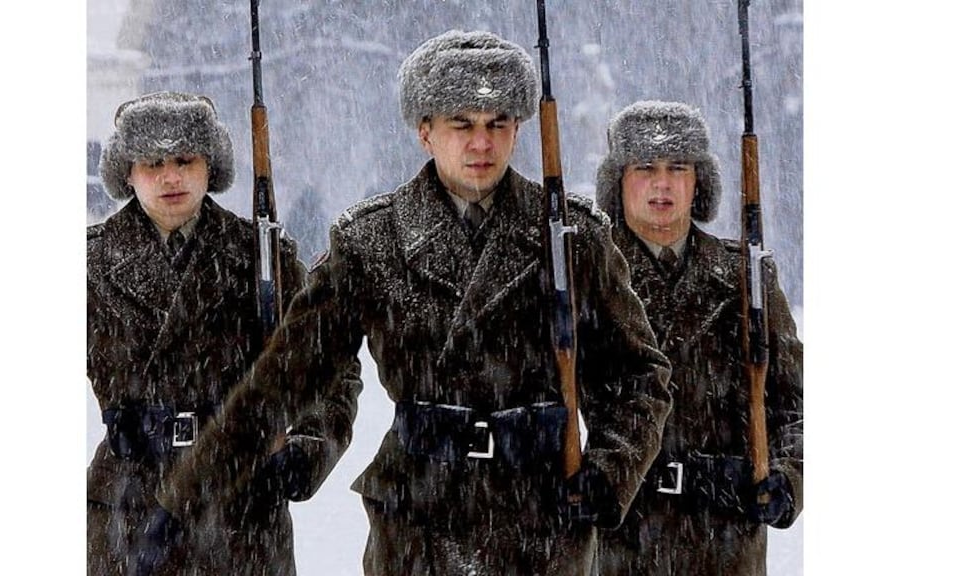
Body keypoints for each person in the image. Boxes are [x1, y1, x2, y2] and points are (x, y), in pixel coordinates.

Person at [137, 31, 674, 576]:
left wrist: (611, 469)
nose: (481, 144)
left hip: (540, 524)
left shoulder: (572, 239)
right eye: (461, 124)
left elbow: (639, 376)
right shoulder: (373, 242)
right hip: (417, 524)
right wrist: (183, 500)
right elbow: (280, 380)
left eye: (498, 125)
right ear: (425, 131)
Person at [86, 91, 360, 576]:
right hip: (129, 508)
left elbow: (329, 362)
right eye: (152, 162)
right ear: (127, 172)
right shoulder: (90, 262)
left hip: (240, 507)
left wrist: (308, 445)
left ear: (209, 165)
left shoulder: (262, 258)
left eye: (185, 159)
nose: (170, 177)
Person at [591, 100, 803, 575]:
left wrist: (788, 479)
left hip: (724, 539)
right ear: (618, 181)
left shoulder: (747, 278)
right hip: (619, 542)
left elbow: (797, 406)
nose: (662, 183)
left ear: (698, 182)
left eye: (678, 168)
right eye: (645, 167)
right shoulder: (589, 276)